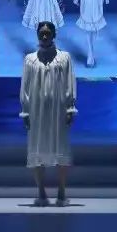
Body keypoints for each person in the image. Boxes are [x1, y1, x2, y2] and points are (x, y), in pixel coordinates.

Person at [19, 20, 76, 207]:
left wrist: (70, 108)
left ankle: (61, 193)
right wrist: (25, 112)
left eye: (47, 33)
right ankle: (41, 193)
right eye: (41, 33)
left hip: (58, 110)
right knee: (36, 149)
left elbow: (70, 83)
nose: (44, 36)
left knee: (61, 148)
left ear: (54, 35)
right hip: (36, 110)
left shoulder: (64, 58)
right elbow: (25, 86)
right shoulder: (30, 59)